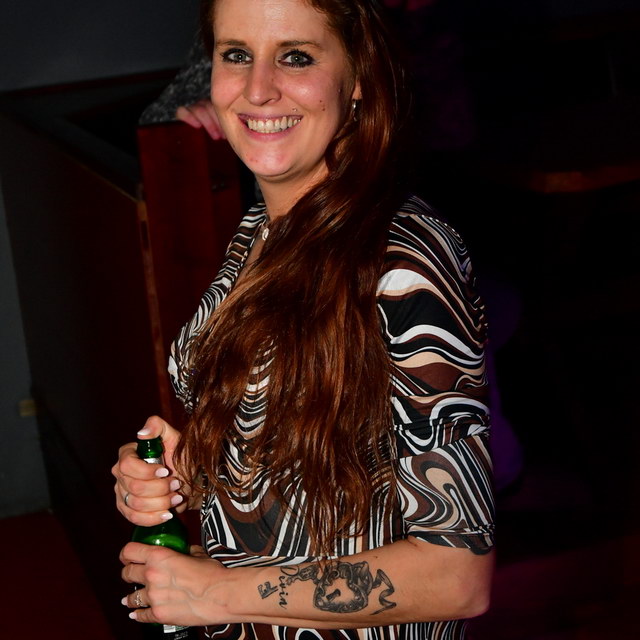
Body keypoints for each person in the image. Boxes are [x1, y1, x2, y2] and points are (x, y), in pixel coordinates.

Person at [113, 1, 495, 638]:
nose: (258, 88)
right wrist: (183, 473)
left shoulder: (403, 262)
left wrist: (216, 593)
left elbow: (458, 575)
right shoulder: (261, 229)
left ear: (357, 79)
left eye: (295, 56)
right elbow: (300, 464)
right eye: (237, 55)